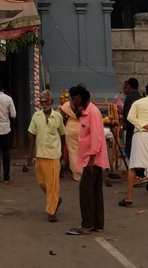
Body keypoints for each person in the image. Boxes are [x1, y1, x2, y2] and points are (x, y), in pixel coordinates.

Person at [66, 86, 108, 236]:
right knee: (95, 191)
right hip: (89, 158)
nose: (74, 101)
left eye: (74, 98)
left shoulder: (93, 112)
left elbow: (97, 138)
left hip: (92, 160)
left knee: (85, 190)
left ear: (80, 97)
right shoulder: (86, 112)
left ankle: (87, 224)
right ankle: (97, 223)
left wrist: (91, 159)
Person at [27, 91, 67, 222]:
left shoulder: (58, 117)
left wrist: (62, 154)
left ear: (51, 102)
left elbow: (63, 136)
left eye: (46, 101)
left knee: (53, 185)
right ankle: (55, 200)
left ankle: (51, 211)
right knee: (42, 182)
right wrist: (30, 154)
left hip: (53, 155)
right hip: (40, 154)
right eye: (42, 101)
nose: (44, 104)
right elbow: (32, 136)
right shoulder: (36, 116)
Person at [120, 78, 143, 182]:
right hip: (140, 129)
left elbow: (127, 117)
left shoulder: (129, 98)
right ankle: (139, 172)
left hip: (131, 130)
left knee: (129, 151)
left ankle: (138, 172)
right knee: (138, 152)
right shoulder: (140, 97)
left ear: (129, 86)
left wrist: (122, 128)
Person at [59, 94, 83, 181]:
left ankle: (77, 173)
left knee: (73, 152)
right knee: (82, 151)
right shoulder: (85, 104)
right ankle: (83, 172)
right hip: (82, 128)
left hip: (70, 130)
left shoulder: (66, 105)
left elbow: (62, 119)